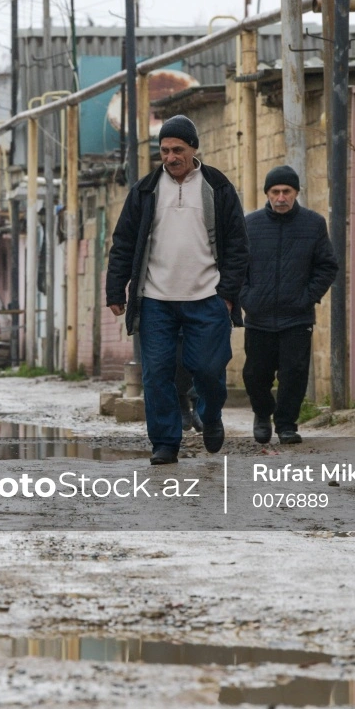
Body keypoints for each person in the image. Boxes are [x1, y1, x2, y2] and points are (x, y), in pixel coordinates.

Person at [106, 115, 249, 465]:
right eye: (164, 150)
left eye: (178, 150)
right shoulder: (145, 190)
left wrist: (227, 293)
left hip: (207, 298)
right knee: (156, 374)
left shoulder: (217, 186)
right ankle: (165, 443)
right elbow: (123, 241)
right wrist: (115, 289)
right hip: (156, 300)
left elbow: (237, 245)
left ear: (193, 149)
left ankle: (211, 414)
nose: (170, 157)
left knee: (208, 369)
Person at [240, 165, 338, 445]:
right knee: (255, 374)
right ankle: (262, 414)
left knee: (294, 374)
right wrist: (248, 297)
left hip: (296, 317)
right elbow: (236, 268)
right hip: (258, 316)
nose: (281, 197)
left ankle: (286, 424)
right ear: (267, 194)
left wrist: (307, 297)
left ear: (296, 193)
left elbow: (327, 266)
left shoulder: (313, 224)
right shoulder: (250, 225)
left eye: (286, 191)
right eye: (275, 192)